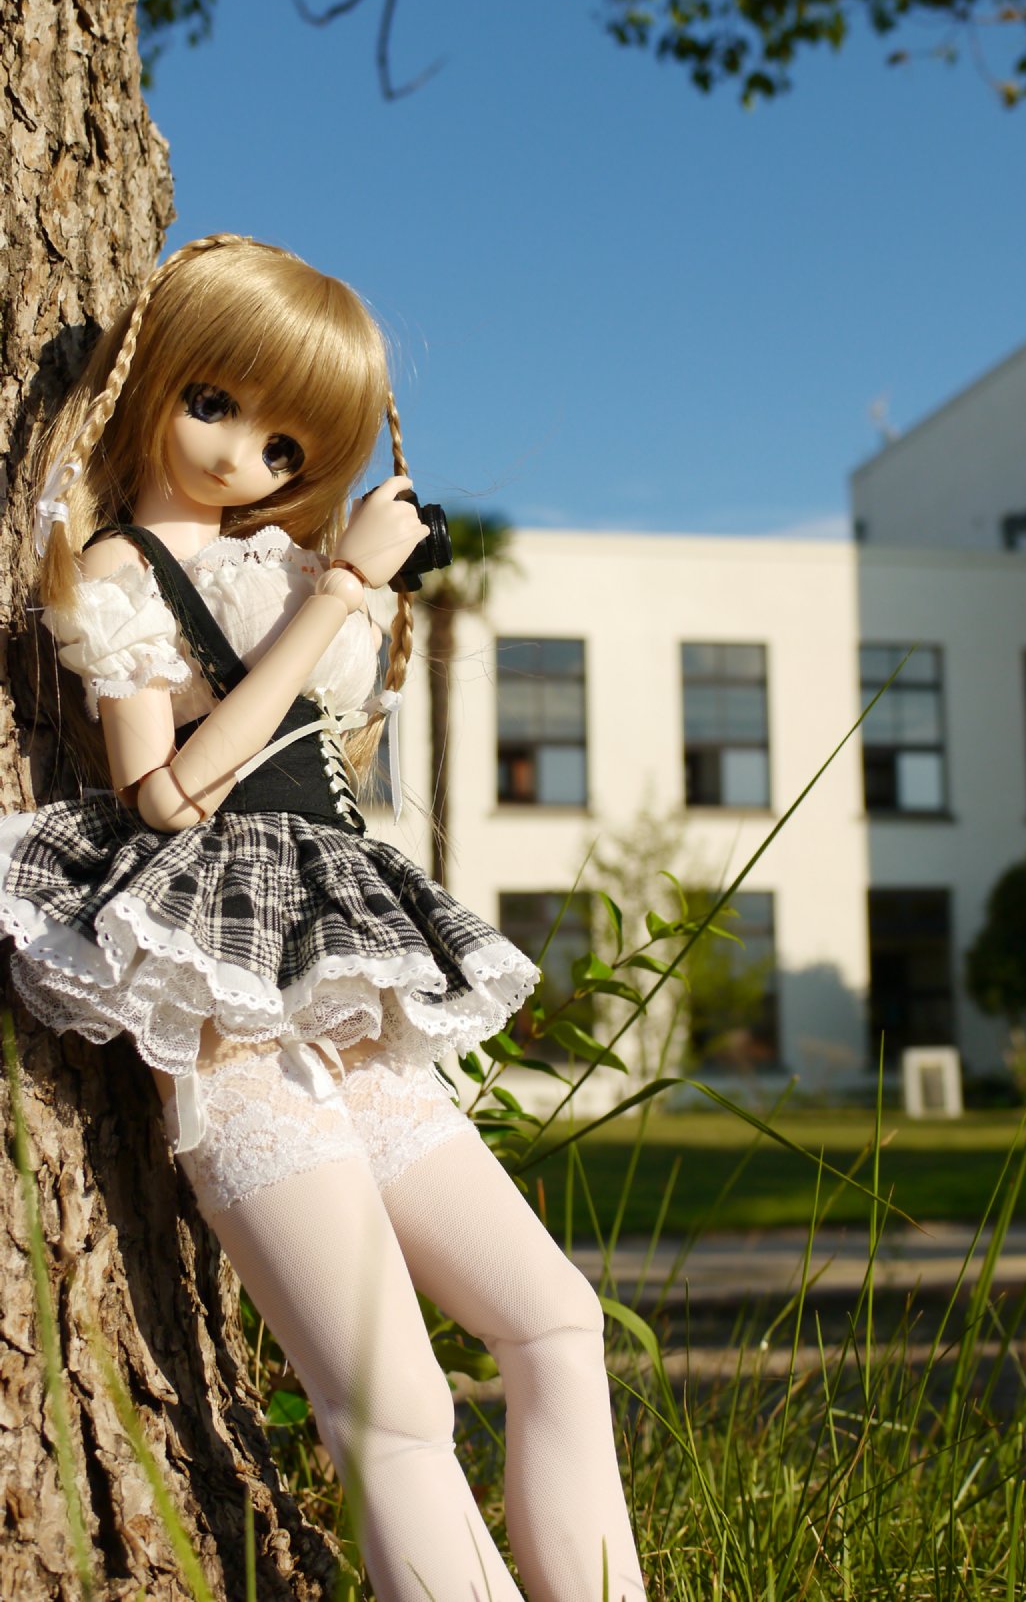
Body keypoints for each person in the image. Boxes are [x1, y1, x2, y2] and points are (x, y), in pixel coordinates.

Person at [0, 235, 648, 1602]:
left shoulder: (283, 571)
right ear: (155, 379)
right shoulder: (121, 571)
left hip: (344, 994)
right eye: (214, 404)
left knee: (556, 1322)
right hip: (230, 1013)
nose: (243, 458)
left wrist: (344, 593)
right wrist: (342, 592)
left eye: (285, 447)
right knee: (394, 1408)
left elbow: (324, 752)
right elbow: (163, 794)